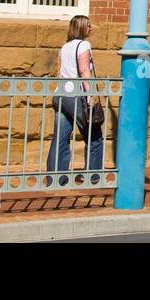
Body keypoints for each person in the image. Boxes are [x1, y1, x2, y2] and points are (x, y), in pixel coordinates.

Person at [48, 15, 104, 181]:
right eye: (87, 26)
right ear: (80, 28)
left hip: (60, 94)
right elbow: (84, 71)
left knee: (60, 137)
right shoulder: (83, 45)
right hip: (75, 95)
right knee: (94, 136)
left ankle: (55, 177)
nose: (90, 28)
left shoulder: (64, 47)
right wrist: (89, 96)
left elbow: (60, 71)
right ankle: (93, 176)